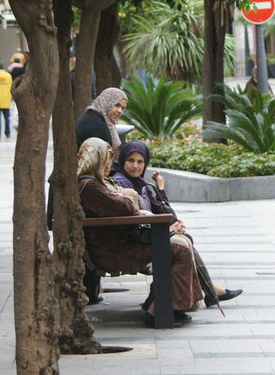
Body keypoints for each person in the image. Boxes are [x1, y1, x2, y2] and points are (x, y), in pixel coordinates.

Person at [77, 138, 204, 327]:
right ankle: (161, 310)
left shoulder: (96, 182)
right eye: (106, 158)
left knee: (182, 242)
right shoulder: (90, 186)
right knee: (179, 247)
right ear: (96, 158)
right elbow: (124, 210)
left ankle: (165, 304)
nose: (109, 164)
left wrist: (128, 196)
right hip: (113, 250)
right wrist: (130, 196)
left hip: (121, 243)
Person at [112, 140, 243, 309]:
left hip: (147, 232)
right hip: (134, 239)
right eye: (131, 161)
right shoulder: (123, 182)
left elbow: (164, 212)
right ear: (122, 161)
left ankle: (205, 292)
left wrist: (161, 190)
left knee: (184, 238)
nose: (135, 166)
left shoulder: (140, 184)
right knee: (182, 243)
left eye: (140, 161)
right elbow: (137, 217)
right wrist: (168, 228)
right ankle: (207, 292)